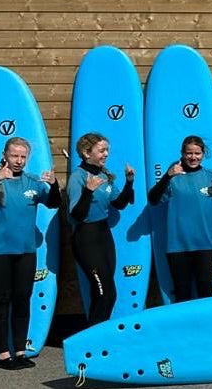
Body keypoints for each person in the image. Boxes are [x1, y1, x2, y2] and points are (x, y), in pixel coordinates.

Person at [0, 137, 60, 370]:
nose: (18, 160)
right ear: (5, 155)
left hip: (26, 252)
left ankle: (19, 350)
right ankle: (4, 354)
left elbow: (54, 203)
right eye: (14, 155)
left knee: (22, 300)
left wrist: (55, 185)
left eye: (22, 156)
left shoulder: (32, 182)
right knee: (2, 300)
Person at [147, 135, 212, 301]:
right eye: (189, 153)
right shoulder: (173, 178)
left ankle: (207, 327)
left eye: (197, 153)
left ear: (203, 154)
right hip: (178, 245)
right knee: (182, 294)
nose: (193, 157)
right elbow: (153, 200)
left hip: (206, 244)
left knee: (205, 292)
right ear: (182, 153)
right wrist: (167, 176)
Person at [66, 132, 135, 325]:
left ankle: (96, 337)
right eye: (102, 150)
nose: (106, 154)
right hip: (86, 238)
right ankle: (92, 339)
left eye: (107, 150)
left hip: (104, 237)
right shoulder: (78, 177)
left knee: (103, 293)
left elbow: (120, 204)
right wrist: (88, 191)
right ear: (87, 153)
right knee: (106, 294)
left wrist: (129, 182)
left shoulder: (103, 175)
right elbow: (76, 215)